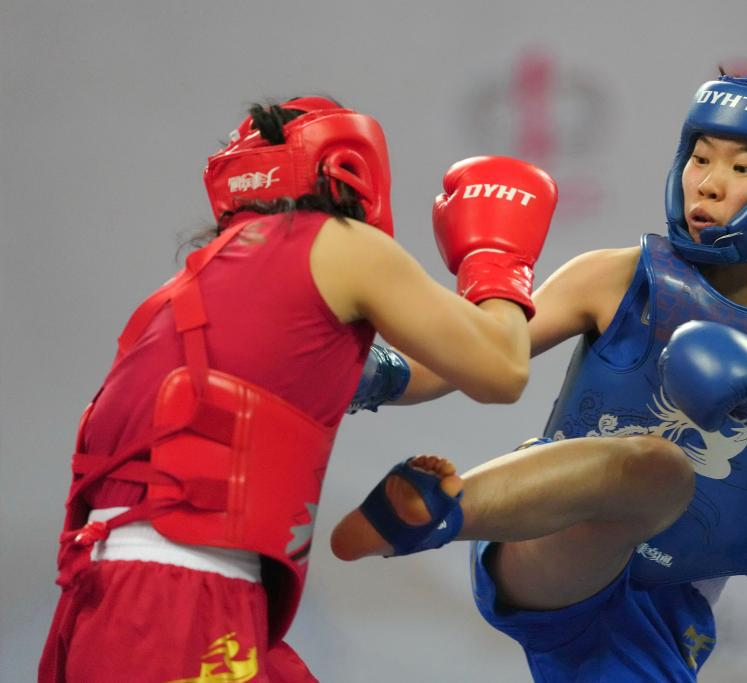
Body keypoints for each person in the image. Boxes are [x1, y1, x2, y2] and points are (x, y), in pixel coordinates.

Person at [334, 48, 747, 682]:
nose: (707, 183)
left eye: (742, 167)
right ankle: (438, 509)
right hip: (550, 533)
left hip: (665, 608)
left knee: (660, 483)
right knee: (655, 467)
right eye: (700, 157)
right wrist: (358, 372)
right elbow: (473, 354)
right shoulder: (618, 277)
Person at [38, 96, 558, 682]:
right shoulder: (337, 242)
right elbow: (499, 368)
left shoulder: (199, 289)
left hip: (112, 601)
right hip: (180, 598)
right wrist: (494, 259)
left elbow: (423, 368)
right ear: (349, 170)